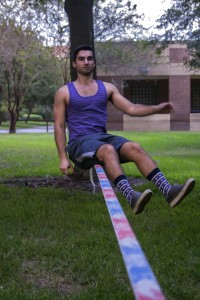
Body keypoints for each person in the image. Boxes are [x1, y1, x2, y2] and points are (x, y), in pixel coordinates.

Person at [54, 44, 195, 215]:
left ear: (94, 63)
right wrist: (62, 157)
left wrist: (157, 108)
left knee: (133, 147)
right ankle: (131, 196)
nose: (86, 62)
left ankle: (168, 191)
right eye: (81, 59)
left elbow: (132, 109)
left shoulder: (107, 88)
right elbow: (59, 126)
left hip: (101, 138)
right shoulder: (64, 92)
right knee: (107, 149)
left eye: (89, 58)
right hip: (79, 143)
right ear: (74, 64)